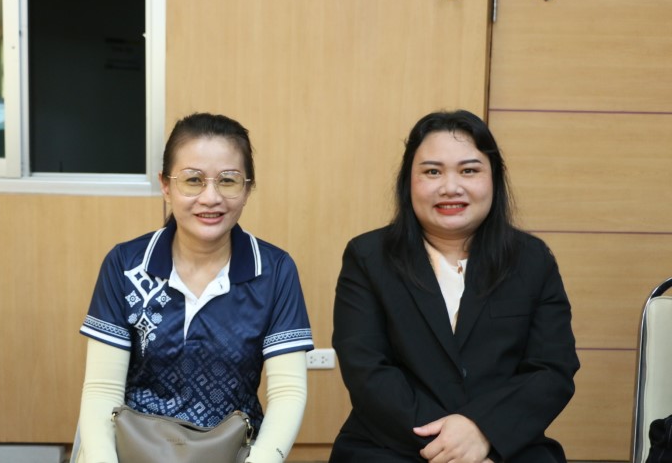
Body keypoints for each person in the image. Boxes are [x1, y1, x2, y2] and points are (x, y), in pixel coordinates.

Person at [329, 110, 579, 463]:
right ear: (408, 181)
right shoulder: (368, 257)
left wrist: (482, 432)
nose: (450, 187)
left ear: (494, 178)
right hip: (392, 444)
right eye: (432, 172)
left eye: (469, 170)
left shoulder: (531, 259)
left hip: (503, 444)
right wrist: (451, 446)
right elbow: (366, 369)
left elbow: (552, 369)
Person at [77, 112, 314, 463]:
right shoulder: (125, 265)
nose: (211, 197)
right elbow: (102, 389)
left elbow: (288, 391)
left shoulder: (275, 271)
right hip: (133, 449)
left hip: (234, 453)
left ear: (247, 188)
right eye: (193, 180)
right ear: (166, 186)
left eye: (228, 181)